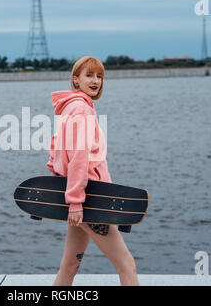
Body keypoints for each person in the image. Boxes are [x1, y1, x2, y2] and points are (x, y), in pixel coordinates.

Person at [46, 56, 139, 286]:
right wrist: (76, 202)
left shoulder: (71, 107)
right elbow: (79, 157)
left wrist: (62, 184)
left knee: (70, 264)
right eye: (89, 75)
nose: (95, 80)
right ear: (76, 80)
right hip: (90, 200)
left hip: (80, 198)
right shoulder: (82, 110)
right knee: (126, 264)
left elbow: (56, 148)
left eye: (99, 76)